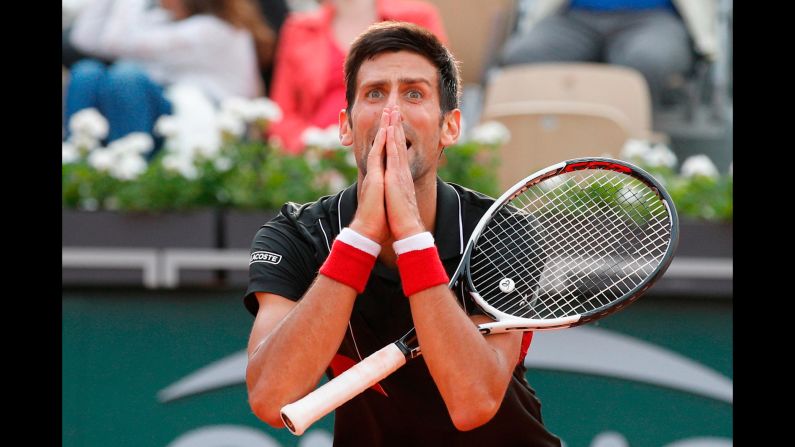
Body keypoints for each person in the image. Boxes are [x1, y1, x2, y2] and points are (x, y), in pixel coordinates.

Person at [244, 21, 562, 445]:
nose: (391, 112)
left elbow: (473, 403)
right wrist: (360, 238)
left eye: (414, 93)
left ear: (450, 126)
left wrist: (411, 236)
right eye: (374, 93)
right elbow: (270, 397)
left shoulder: (500, 229)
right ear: (345, 126)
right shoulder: (298, 235)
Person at [64, 0, 275, 156]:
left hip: (207, 130)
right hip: (174, 117)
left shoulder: (213, 30)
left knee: (126, 79)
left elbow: (115, 42)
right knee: (87, 73)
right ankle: (75, 165)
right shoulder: (166, 21)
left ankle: (129, 171)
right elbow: (84, 38)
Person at [266, 0, 447, 154]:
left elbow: (438, 97)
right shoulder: (299, 29)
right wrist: (311, 148)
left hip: (397, 152)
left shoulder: (417, 19)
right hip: (320, 163)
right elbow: (282, 113)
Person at [499, 0, 718, 109]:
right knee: (524, 57)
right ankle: (539, 146)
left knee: (645, 61)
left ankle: (630, 158)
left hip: (655, 18)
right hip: (576, 16)